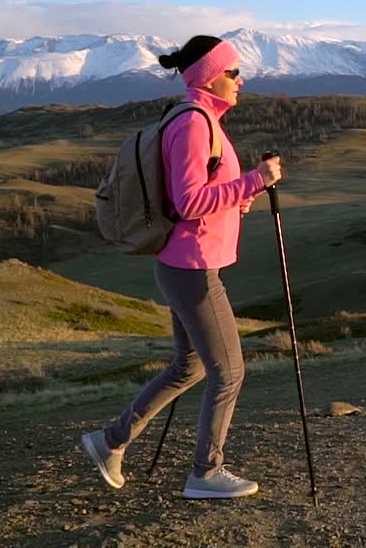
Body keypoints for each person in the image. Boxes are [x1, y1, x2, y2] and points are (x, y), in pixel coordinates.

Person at [80, 35, 283, 499]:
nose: (240, 79)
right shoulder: (194, 124)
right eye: (233, 72)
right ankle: (205, 474)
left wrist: (240, 198)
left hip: (183, 262)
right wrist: (257, 179)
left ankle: (110, 441)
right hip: (193, 268)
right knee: (228, 372)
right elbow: (190, 201)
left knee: (188, 366)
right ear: (210, 76)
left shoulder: (201, 118)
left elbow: (203, 194)